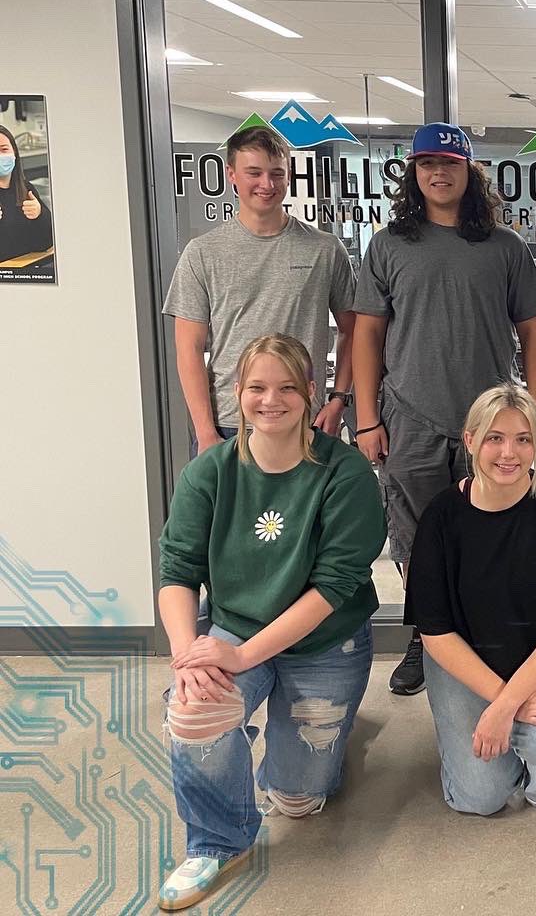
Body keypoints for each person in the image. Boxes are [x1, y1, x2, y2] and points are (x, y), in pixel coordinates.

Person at [156, 334, 382, 911]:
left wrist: (239, 658)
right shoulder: (209, 472)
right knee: (194, 710)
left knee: (298, 800)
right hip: (236, 625)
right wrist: (189, 655)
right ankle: (217, 841)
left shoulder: (346, 474)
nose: (270, 400)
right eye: (256, 387)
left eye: (286, 387)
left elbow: (332, 587)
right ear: (238, 392)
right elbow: (177, 571)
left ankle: (323, 736)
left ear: (310, 392)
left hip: (325, 640)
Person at [352, 122, 536, 696]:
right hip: (409, 417)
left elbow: (533, 335)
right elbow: (367, 335)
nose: (438, 173)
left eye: (450, 163)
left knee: (489, 530)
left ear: (470, 172)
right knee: (416, 537)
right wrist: (367, 419)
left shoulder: (504, 247)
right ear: (413, 174)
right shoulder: (389, 245)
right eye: (426, 164)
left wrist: (532, 420)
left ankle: (483, 634)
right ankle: (426, 632)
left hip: (489, 422)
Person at [404, 384, 536, 815]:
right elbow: (436, 634)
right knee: (479, 799)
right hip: (465, 658)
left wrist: (507, 704)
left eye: (523, 439)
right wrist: (506, 700)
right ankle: (502, 748)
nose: (508, 453)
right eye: (494, 438)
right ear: (470, 440)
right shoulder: (441, 518)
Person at [163, 125, 357, 455]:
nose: (267, 184)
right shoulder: (203, 253)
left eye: (276, 174)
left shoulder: (324, 249)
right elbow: (188, 349)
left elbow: (353, 331)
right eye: (254, 173)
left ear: (289, 176)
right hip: (229, 426)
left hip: (303, 421)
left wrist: (339, 398)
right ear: (231, 175)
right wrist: (205, 431)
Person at [0, 122, 53, 261]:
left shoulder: (26, 189)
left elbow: (45, 243)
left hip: (26, 266)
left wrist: (39, 215)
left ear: (14, 153)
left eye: (4, 149)